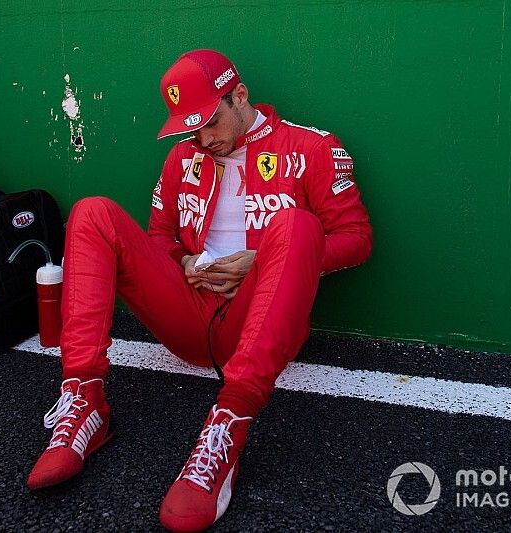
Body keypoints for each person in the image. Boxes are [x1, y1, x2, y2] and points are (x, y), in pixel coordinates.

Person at [27, 49, 373, 531]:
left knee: (294, 224)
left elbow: (356, 239)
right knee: (92, 212)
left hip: (258, 322)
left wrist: (261, 261)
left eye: (210, 122)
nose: (203, 139)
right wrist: (184, 260)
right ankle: (84, 397)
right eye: (191, 129)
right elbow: (158, 240)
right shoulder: (183, 156)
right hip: (188, 315)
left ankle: (228, 426)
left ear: (240, 96)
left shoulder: (311, 147)